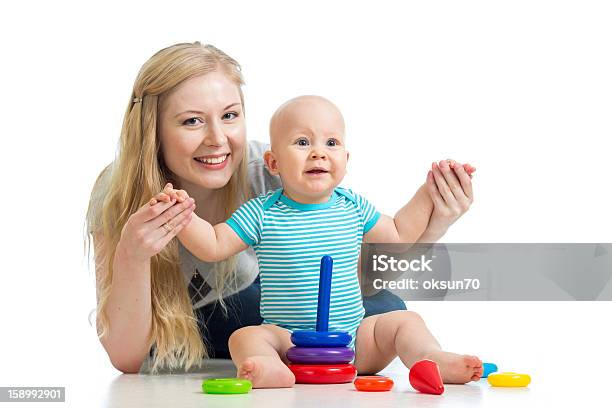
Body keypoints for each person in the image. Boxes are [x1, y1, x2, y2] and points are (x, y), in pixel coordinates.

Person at [85, 42, 474, 374]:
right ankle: (272, 363)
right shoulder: (118, 190)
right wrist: (132, 253)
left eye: (230, 116)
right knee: (245, 322)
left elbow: (353, 279)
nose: (217, 140)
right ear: (153, 131)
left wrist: (434, 222)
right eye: (191, 121)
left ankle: (414, 359)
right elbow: (126, 360)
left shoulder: (270, 167)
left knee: (388, 305)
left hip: (280, 308)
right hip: (193, 324)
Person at [154, 95, 481, 388]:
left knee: (404, 321)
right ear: (273, 163)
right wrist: (183, 215)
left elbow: (399, 233)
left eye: (331, 143)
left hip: (352, 341)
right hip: (289, 342)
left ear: (346, 158)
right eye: (302, 142)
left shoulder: (352, 205)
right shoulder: (263, 212)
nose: (318, 153)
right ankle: (269, 369)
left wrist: (427, 194)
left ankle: (430, 357)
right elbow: (213, 244)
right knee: (247, 337)